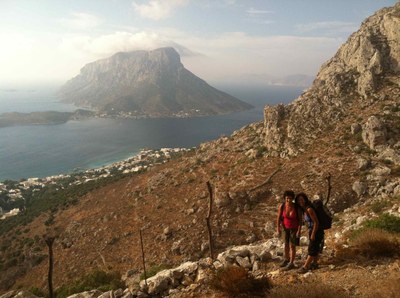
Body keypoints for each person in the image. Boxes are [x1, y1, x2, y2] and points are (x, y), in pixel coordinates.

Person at [295, 192, 324, 273]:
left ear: (305, 199)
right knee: (315, 248)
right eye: (298, 200)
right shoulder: (304, 209)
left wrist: (313, 234)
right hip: (314, 230)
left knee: (311, 249)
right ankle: (315, 264)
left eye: (301, 199)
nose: (300, 201)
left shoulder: (309, 209)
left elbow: (316, 222)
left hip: (316, 231)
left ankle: (305, 267)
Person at [276, 190, 302, 271]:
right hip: (285, 227)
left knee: (292, 246)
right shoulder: (282, 206)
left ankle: (291, 262)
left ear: (293, 198)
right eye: (287, 198)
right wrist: (278, 228)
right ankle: (286, 259)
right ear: (284, 198)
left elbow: (300, 220)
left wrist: (299, 230)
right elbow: (279, 218)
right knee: (286, 244)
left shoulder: (296, 207)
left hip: (294, 228)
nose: (288, 200)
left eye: (290, 198)